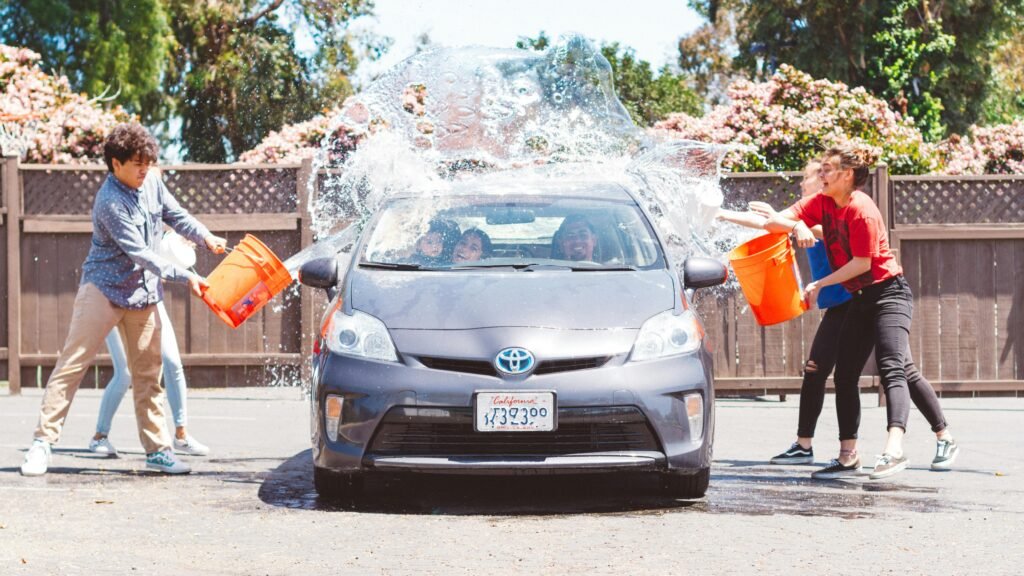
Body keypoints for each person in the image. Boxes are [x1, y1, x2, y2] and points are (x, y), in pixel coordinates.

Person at [19, 122, 226, 477]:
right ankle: (42, 444)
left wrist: (206, 236)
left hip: (142, 293)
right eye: (136, 163)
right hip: (103, 288)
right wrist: (187, 276)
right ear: (116, 164)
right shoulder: (110, 202)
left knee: (149, 374)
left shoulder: (153, 181)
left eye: (147, 161)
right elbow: (142, 253)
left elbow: (174, 215)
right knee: (72, 365)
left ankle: (158, 451)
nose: (144, 168)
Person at [740, 160, 959, 473]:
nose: (821, 176)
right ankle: (849, 453)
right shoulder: (822, 203)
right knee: (845, 375)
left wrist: (820, 282)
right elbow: (778, 223)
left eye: (828, 170)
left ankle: (896, 449)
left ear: (847, 175)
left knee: (893, 368)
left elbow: (862, 264)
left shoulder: (862, 209)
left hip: (889, 294)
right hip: (859, 299)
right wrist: (768, 218)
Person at [89, 300, 209, 457]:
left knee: (172, 362)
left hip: (149, 298)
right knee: (124, 373)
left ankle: (181, 436)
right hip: (113, 298)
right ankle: (100, 436)